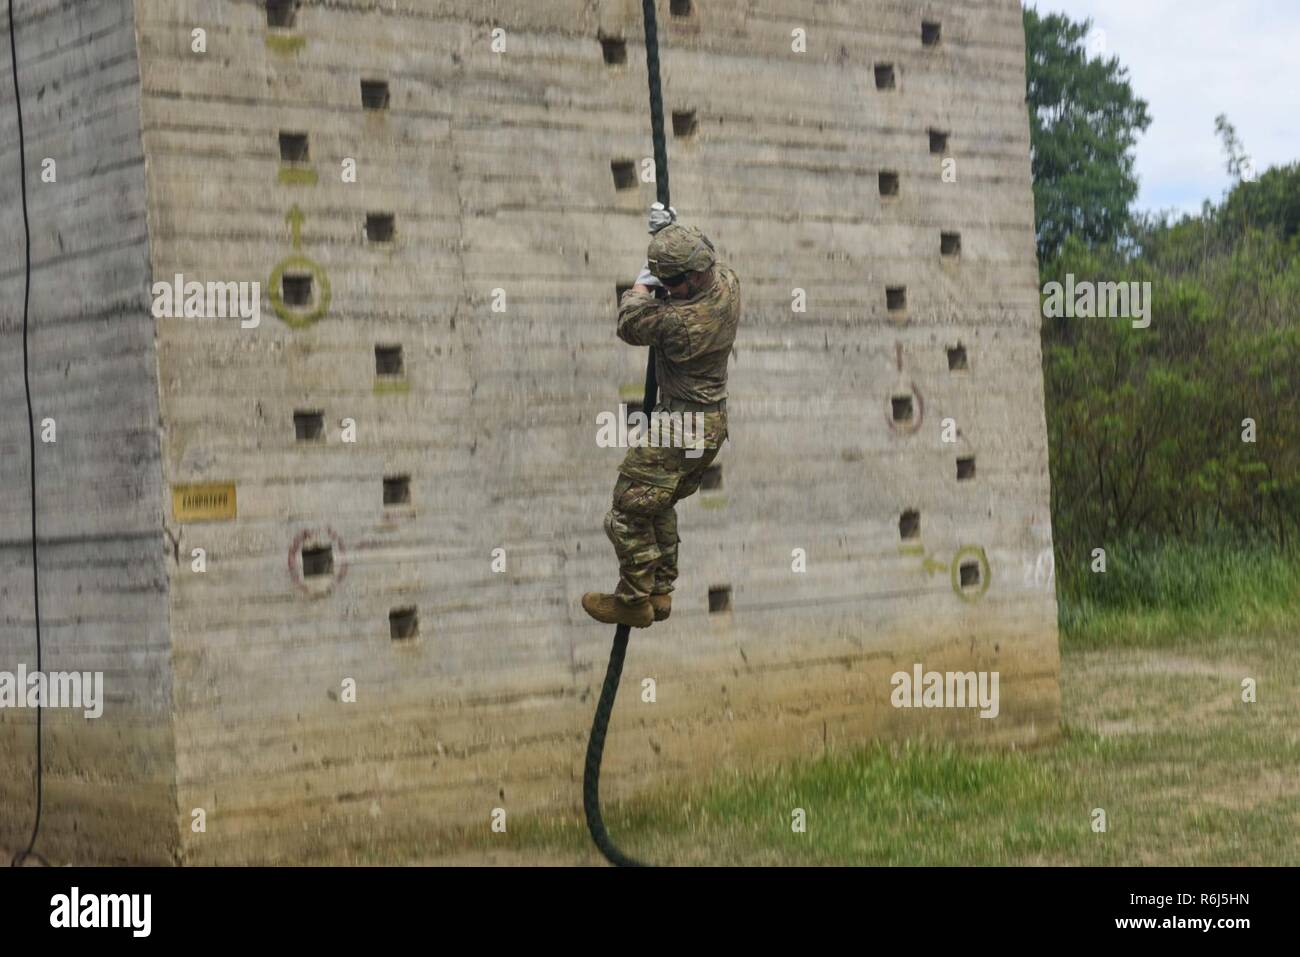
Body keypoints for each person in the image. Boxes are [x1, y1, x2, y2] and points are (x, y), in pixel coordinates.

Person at [582, 204, 741, 628]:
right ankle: (661, 589)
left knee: (626, 510)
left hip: (681, 426)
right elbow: (696, 256)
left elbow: (631, 321)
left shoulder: (680, 324)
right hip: (709, 426)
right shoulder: (727, 283)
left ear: (685, 283)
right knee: (658, 500)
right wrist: (671, 234)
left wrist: (643, 277)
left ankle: (634, 599)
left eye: (672, 282)